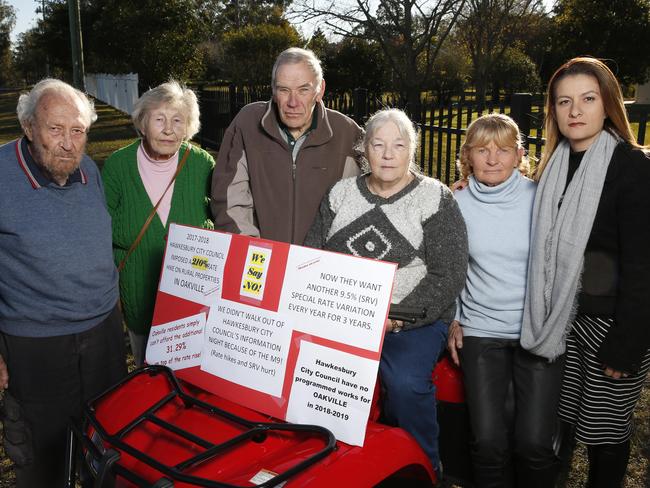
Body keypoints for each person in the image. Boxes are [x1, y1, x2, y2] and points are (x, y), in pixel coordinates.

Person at [304, 108, 468, 475]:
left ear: (413, 149)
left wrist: (394, 319)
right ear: (364, 150)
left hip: (414, 320)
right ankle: (333, 468)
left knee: (405, 382)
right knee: (312, 377)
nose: (389, 154)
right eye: (379, 144)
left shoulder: (433, 197)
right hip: (345, 316)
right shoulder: (341, 194)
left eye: (399, 144)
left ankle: (426, 467)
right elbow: (312, 258)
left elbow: (448, 274)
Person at [521, 57, 650, 487]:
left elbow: (643, 263)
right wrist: (470, 180)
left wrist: (627, 344)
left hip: (612, 326)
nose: (575, 111)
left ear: (608, 103)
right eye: (564, 101)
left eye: (588, 99)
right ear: (553, 110)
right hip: (564, 320)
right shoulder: (553, 165)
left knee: (605, 435)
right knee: (565, 426)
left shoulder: (632, 166)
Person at [0, 79, 127, 487]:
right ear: (27, 126)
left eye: (78, 131)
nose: (69, 144)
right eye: (55, 129)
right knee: (44, 463)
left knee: (103, 450)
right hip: (37, 346)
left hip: (103, 337)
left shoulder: (86, 167)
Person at [447, 114, 565, 487]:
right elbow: (448, 268)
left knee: (534, 443)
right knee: (488, 442)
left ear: (519, 155)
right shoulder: (455, 202)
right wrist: (453, 318)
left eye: (502, 150)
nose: (493, 159)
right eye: (483, 150)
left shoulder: (541, 198)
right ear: (468, 156)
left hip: (535, 329)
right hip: (480, 331)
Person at [102, 80, 214, 366]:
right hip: (138, 289)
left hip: (192, 293)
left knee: (192, 371)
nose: (168, 129)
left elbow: (222, 221)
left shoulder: (202, 164)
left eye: (178, 120)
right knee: (146, 369)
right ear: (142, 123)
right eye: (159, 119)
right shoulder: (118, 165)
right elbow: (99, 230)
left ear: (188, 126)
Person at [211, 47, 362, 245]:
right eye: (284, 90)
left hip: (323, 266)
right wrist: (254, 252)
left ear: (320, 90)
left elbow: (362, 205)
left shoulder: (347, 133)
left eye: (304, 90)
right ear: (273, 90)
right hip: (260, 260)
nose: (293, 102)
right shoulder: (246, 124)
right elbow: (229, 201)